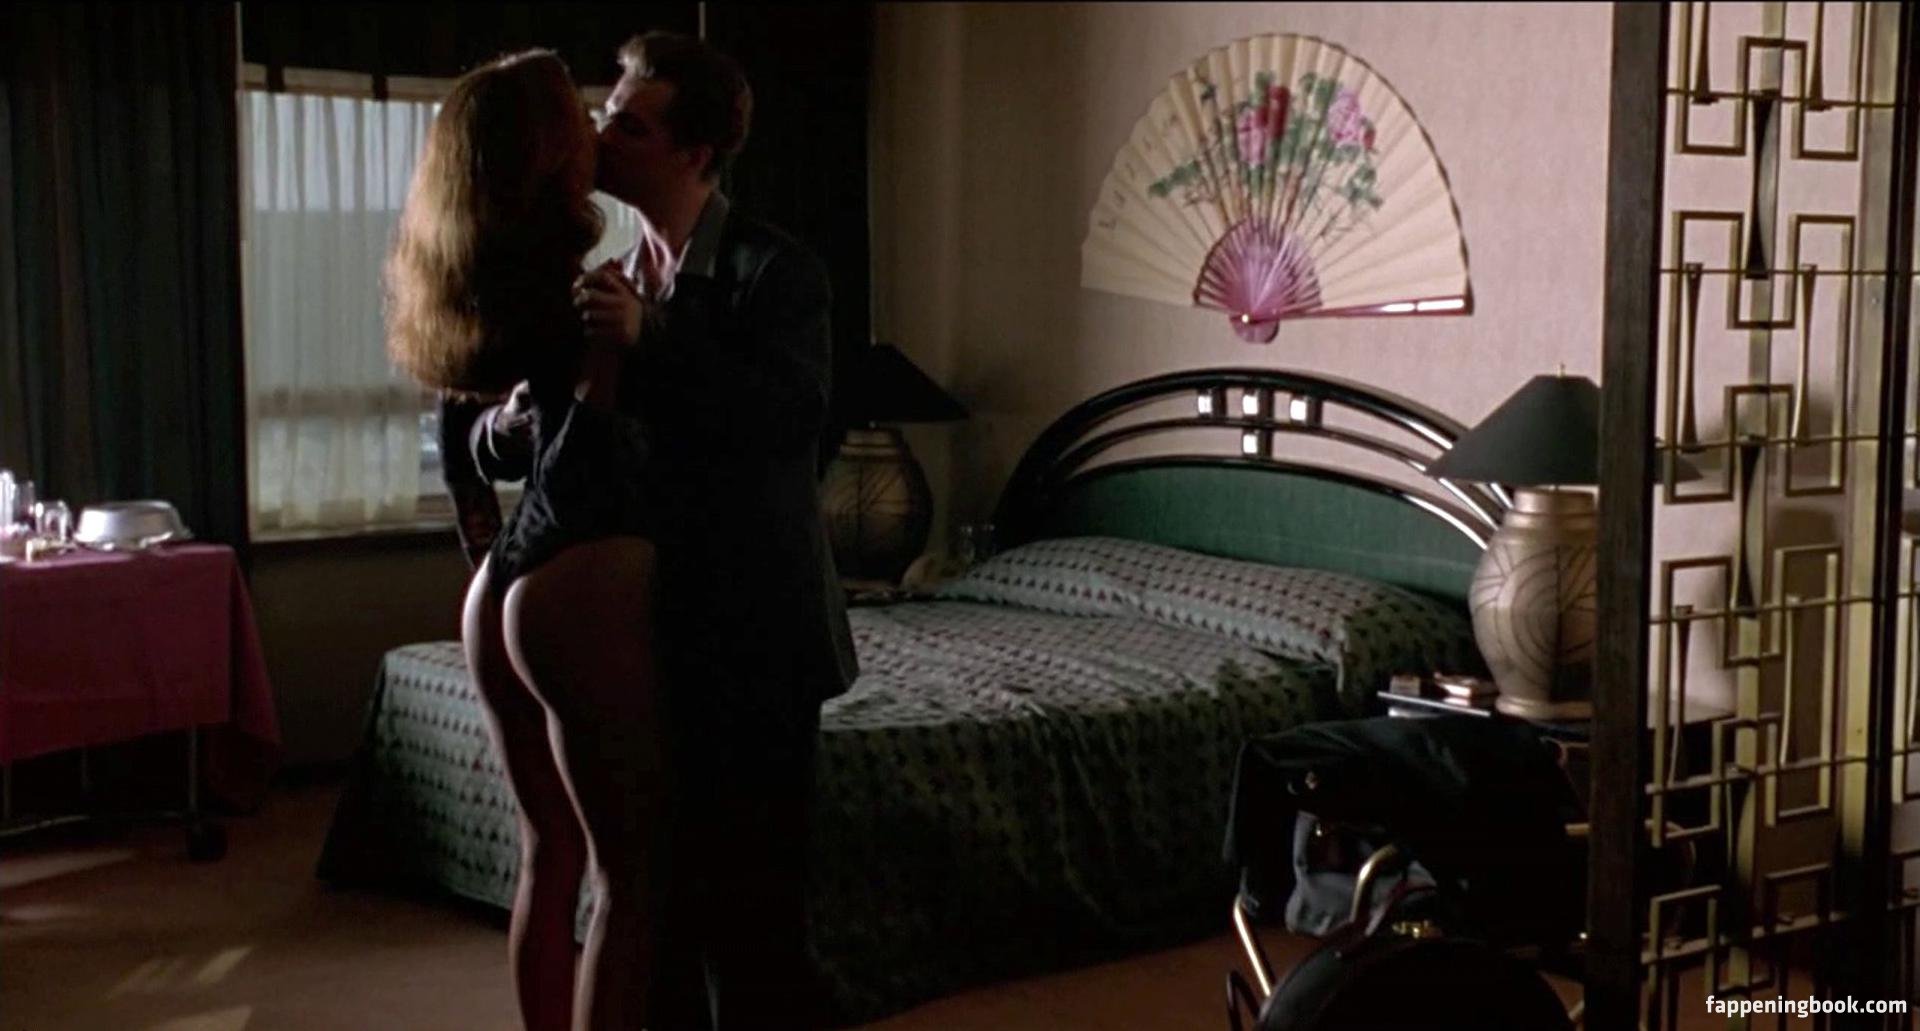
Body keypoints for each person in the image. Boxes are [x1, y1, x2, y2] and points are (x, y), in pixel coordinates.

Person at [472, 30, 859, 1030]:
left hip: (754, 637)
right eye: (604, 115)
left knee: (755, 922)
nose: (600, 136)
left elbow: (790, 423)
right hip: (650, 633)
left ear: (695, 151)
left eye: (630, 126)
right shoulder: (608, 274)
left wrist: (655, 339)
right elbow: (537, 451)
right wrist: (508, 425)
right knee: (664, 908)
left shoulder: (777, 272)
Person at [387, 50, 668, 1031]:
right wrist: (609, 373)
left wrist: (497, 524)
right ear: (549, 152)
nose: (597, 129)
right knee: (629, 876)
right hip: (576, 573)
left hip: (500, 579)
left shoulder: (484, 280)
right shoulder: (585, 295)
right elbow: (583, 475)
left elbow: (469, 447)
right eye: (579, 118)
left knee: (547, 850)